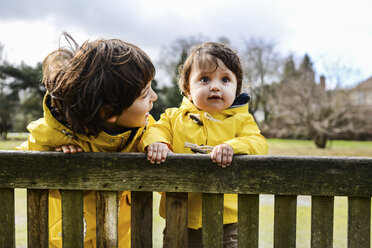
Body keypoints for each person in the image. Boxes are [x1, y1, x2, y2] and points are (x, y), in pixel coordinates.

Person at [16, 32, 158, 248]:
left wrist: (158, 143)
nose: (154, 97)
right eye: (144, 94)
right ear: (109, 112)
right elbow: (25, 156)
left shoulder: (147, 134)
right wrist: (48, 152)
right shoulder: (53, 136)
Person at [139, 42, 268, 247]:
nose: (215, 86)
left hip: (228, 221)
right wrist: (158, 143)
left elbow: (258, 143)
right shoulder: (173, 117)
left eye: (225, 80)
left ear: (236, 89)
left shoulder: (242, 120)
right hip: (179, 215)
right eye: (205, 79)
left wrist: (233, 146)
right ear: (188, 90)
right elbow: (155, 129)